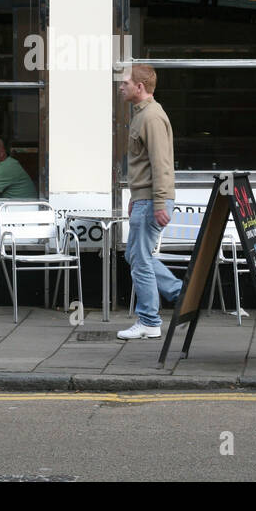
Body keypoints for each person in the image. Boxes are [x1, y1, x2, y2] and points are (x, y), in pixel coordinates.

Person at [117, 64, 182, 340]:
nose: (121, 87)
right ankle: (183, 294)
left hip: (151, 202)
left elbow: (161, 163)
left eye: (125, 83)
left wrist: (158, 203)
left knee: (140, 260)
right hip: (144, 200)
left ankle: (149, 321)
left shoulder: (151, 117)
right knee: (136, 256)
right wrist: (135, 197)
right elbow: (144, 164)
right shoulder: (142, 115)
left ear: (139, 87)